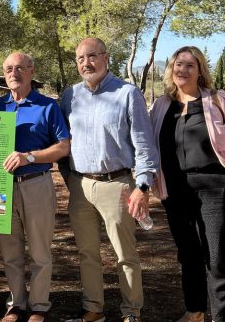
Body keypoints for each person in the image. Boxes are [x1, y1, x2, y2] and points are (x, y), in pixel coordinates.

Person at [149, 46, 225, 322]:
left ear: (199, 71)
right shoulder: (161, 105)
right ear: (171, 69)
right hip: (175, 191)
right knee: (188, 255)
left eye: (189, 65)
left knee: (218, 260)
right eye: (178, 64)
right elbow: (150, 144)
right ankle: (195, 311)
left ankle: (223, 317)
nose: (182, 70)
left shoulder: (218, 100)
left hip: (216, 189)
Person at [59, 38, 159, 322]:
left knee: (124, 254)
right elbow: (63, 141)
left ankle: (131, 312)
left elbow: (144, 145)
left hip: (118, 185)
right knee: (87, 253)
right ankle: (93, 310)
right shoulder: (70, 96)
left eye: (92, 56)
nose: (86, 63)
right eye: (80, 58)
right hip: (80, 186)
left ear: (105, 57)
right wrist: (70, 179)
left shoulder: (127, 93)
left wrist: (142, 186)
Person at [0, 51, 71, 322]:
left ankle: (39, 306)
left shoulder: (48, 106)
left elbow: (63, 146)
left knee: (39, 252)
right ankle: (15, 304)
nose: (14, 73)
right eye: (9, 69)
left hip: (36, 184)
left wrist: (30, 157)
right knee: (10, 252)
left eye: (20, 68)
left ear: (31, 71)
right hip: (2, 187)